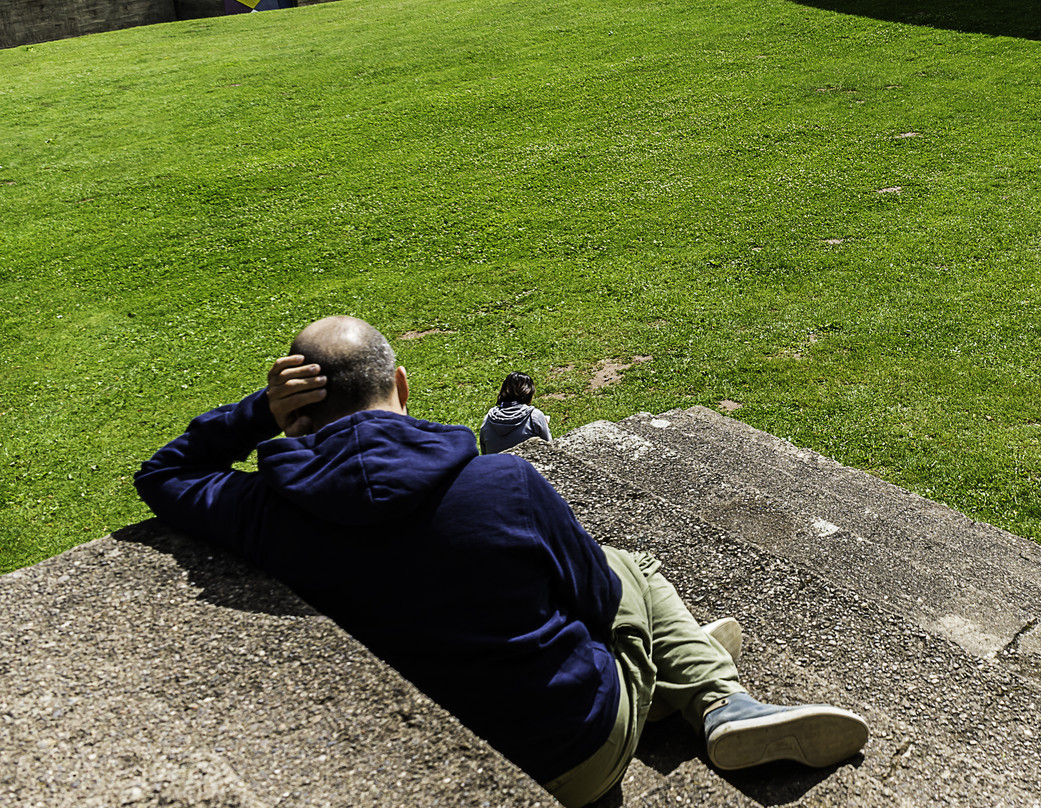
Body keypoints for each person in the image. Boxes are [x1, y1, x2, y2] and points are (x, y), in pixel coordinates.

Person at [135, 315, 867, 807]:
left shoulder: (263, 514)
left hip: (444, 740)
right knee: (629, 569)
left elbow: (163, 475)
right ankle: (714, 700)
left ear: (294, 411)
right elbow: (595, 605)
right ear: (401, 387)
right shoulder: (502, 481)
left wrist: (253, 415)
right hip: (574, 752)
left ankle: (677, 676)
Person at [480, 371, 552, 452]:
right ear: (529, 393)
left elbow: (484, 452)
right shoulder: (534, 416)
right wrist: (543, 423)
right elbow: (549, 449)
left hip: (495, 464)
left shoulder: (488, 418)